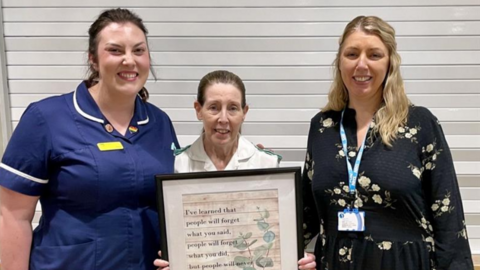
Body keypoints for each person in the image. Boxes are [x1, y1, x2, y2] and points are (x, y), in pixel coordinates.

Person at [0, 8, 179, 270]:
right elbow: (12, 216)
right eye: (115, 51)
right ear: (93, 59)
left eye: (138, 51)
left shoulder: (159, 123)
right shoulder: (46, 118)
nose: (129, 60)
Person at [301, 15, 473, 270]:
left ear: (390, 62)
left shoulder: (420, 124)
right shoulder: (322, 127)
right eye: (352, 54)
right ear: (339, 62)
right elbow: (305, 214)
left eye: (374, 55)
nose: (361, 64)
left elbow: (449, 221)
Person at [154, 70, 316, 269]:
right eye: (213, 107)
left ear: (244, 112)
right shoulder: (178, 165)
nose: (223, 118)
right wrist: (173, 258)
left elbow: (280, 237)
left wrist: (298, 259)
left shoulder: (267, 165)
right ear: (198, 109)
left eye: (232, 108)